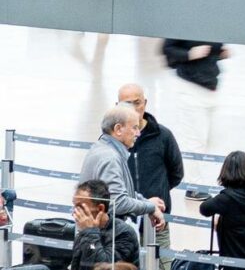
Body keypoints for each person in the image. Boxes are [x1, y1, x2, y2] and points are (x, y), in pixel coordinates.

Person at [79, 105, 162, 236]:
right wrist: (149, 207)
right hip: (105, 241)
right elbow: (117, 202)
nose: (138, 133)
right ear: (118, 129)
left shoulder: (104, 150)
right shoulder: (110, 157)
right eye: (134, 127)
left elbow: (122, 193)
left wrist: (146, 203)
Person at [116, 83, 182, 224]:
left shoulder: (163, 136)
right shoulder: (113, 139)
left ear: (145, 103)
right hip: (122, 221)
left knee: (158, 246)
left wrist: (159, 190)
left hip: (157, 218)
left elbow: (176, 173)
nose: (133, 108)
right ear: (117, 106)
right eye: (127, 104)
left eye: (137, 103)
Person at [66, 181, 138, 270]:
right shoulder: (84, 232)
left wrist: (90, 232)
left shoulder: (124, 233)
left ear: (100, 208)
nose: (75, 213)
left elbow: (105, 267)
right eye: (74, 206)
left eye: (80, 207)